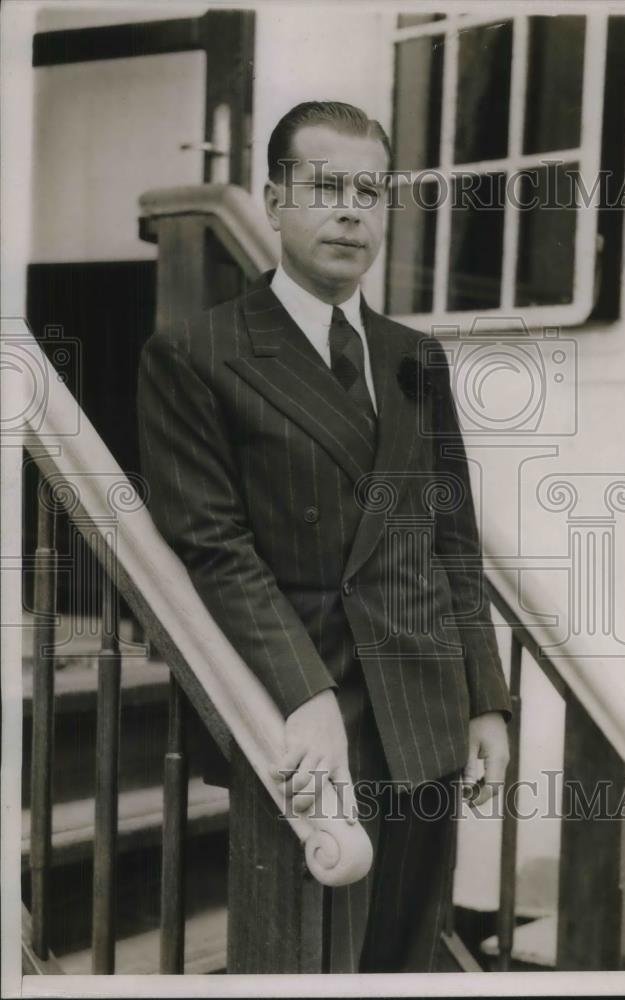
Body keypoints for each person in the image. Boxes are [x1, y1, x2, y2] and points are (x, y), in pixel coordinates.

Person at [137, 100, 512, 973]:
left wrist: (485, 698)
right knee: (306, 963)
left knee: (402, 957)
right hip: (304, 712)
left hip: (424, 708)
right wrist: (303, 697)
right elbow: (213, 546)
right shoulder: (195, 353)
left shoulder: (416, 357)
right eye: (324, 186)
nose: (352, 209)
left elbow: (450, 534)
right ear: (272, 202)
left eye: (371, 190)